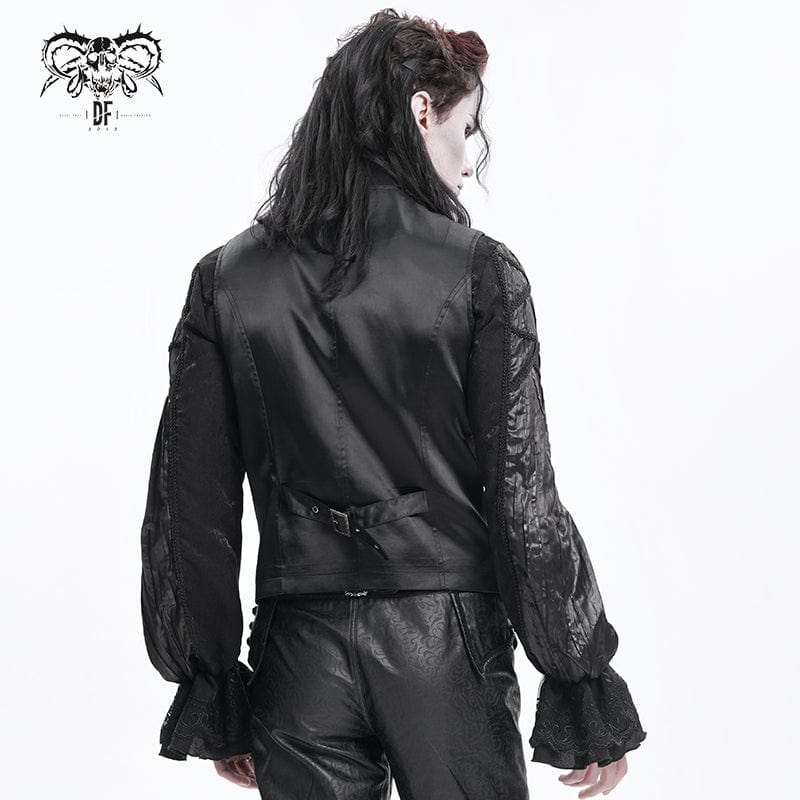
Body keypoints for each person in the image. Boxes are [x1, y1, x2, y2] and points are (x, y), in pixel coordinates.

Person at [139, 8, 647, 799]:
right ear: (421, 110)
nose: (468, 159)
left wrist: (214, 682)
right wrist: (578, 673)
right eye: (465, 128)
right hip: (444, 646)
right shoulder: (480, 273)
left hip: (297, 654)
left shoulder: (226, 280)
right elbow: (522, 498)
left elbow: (188, 508)